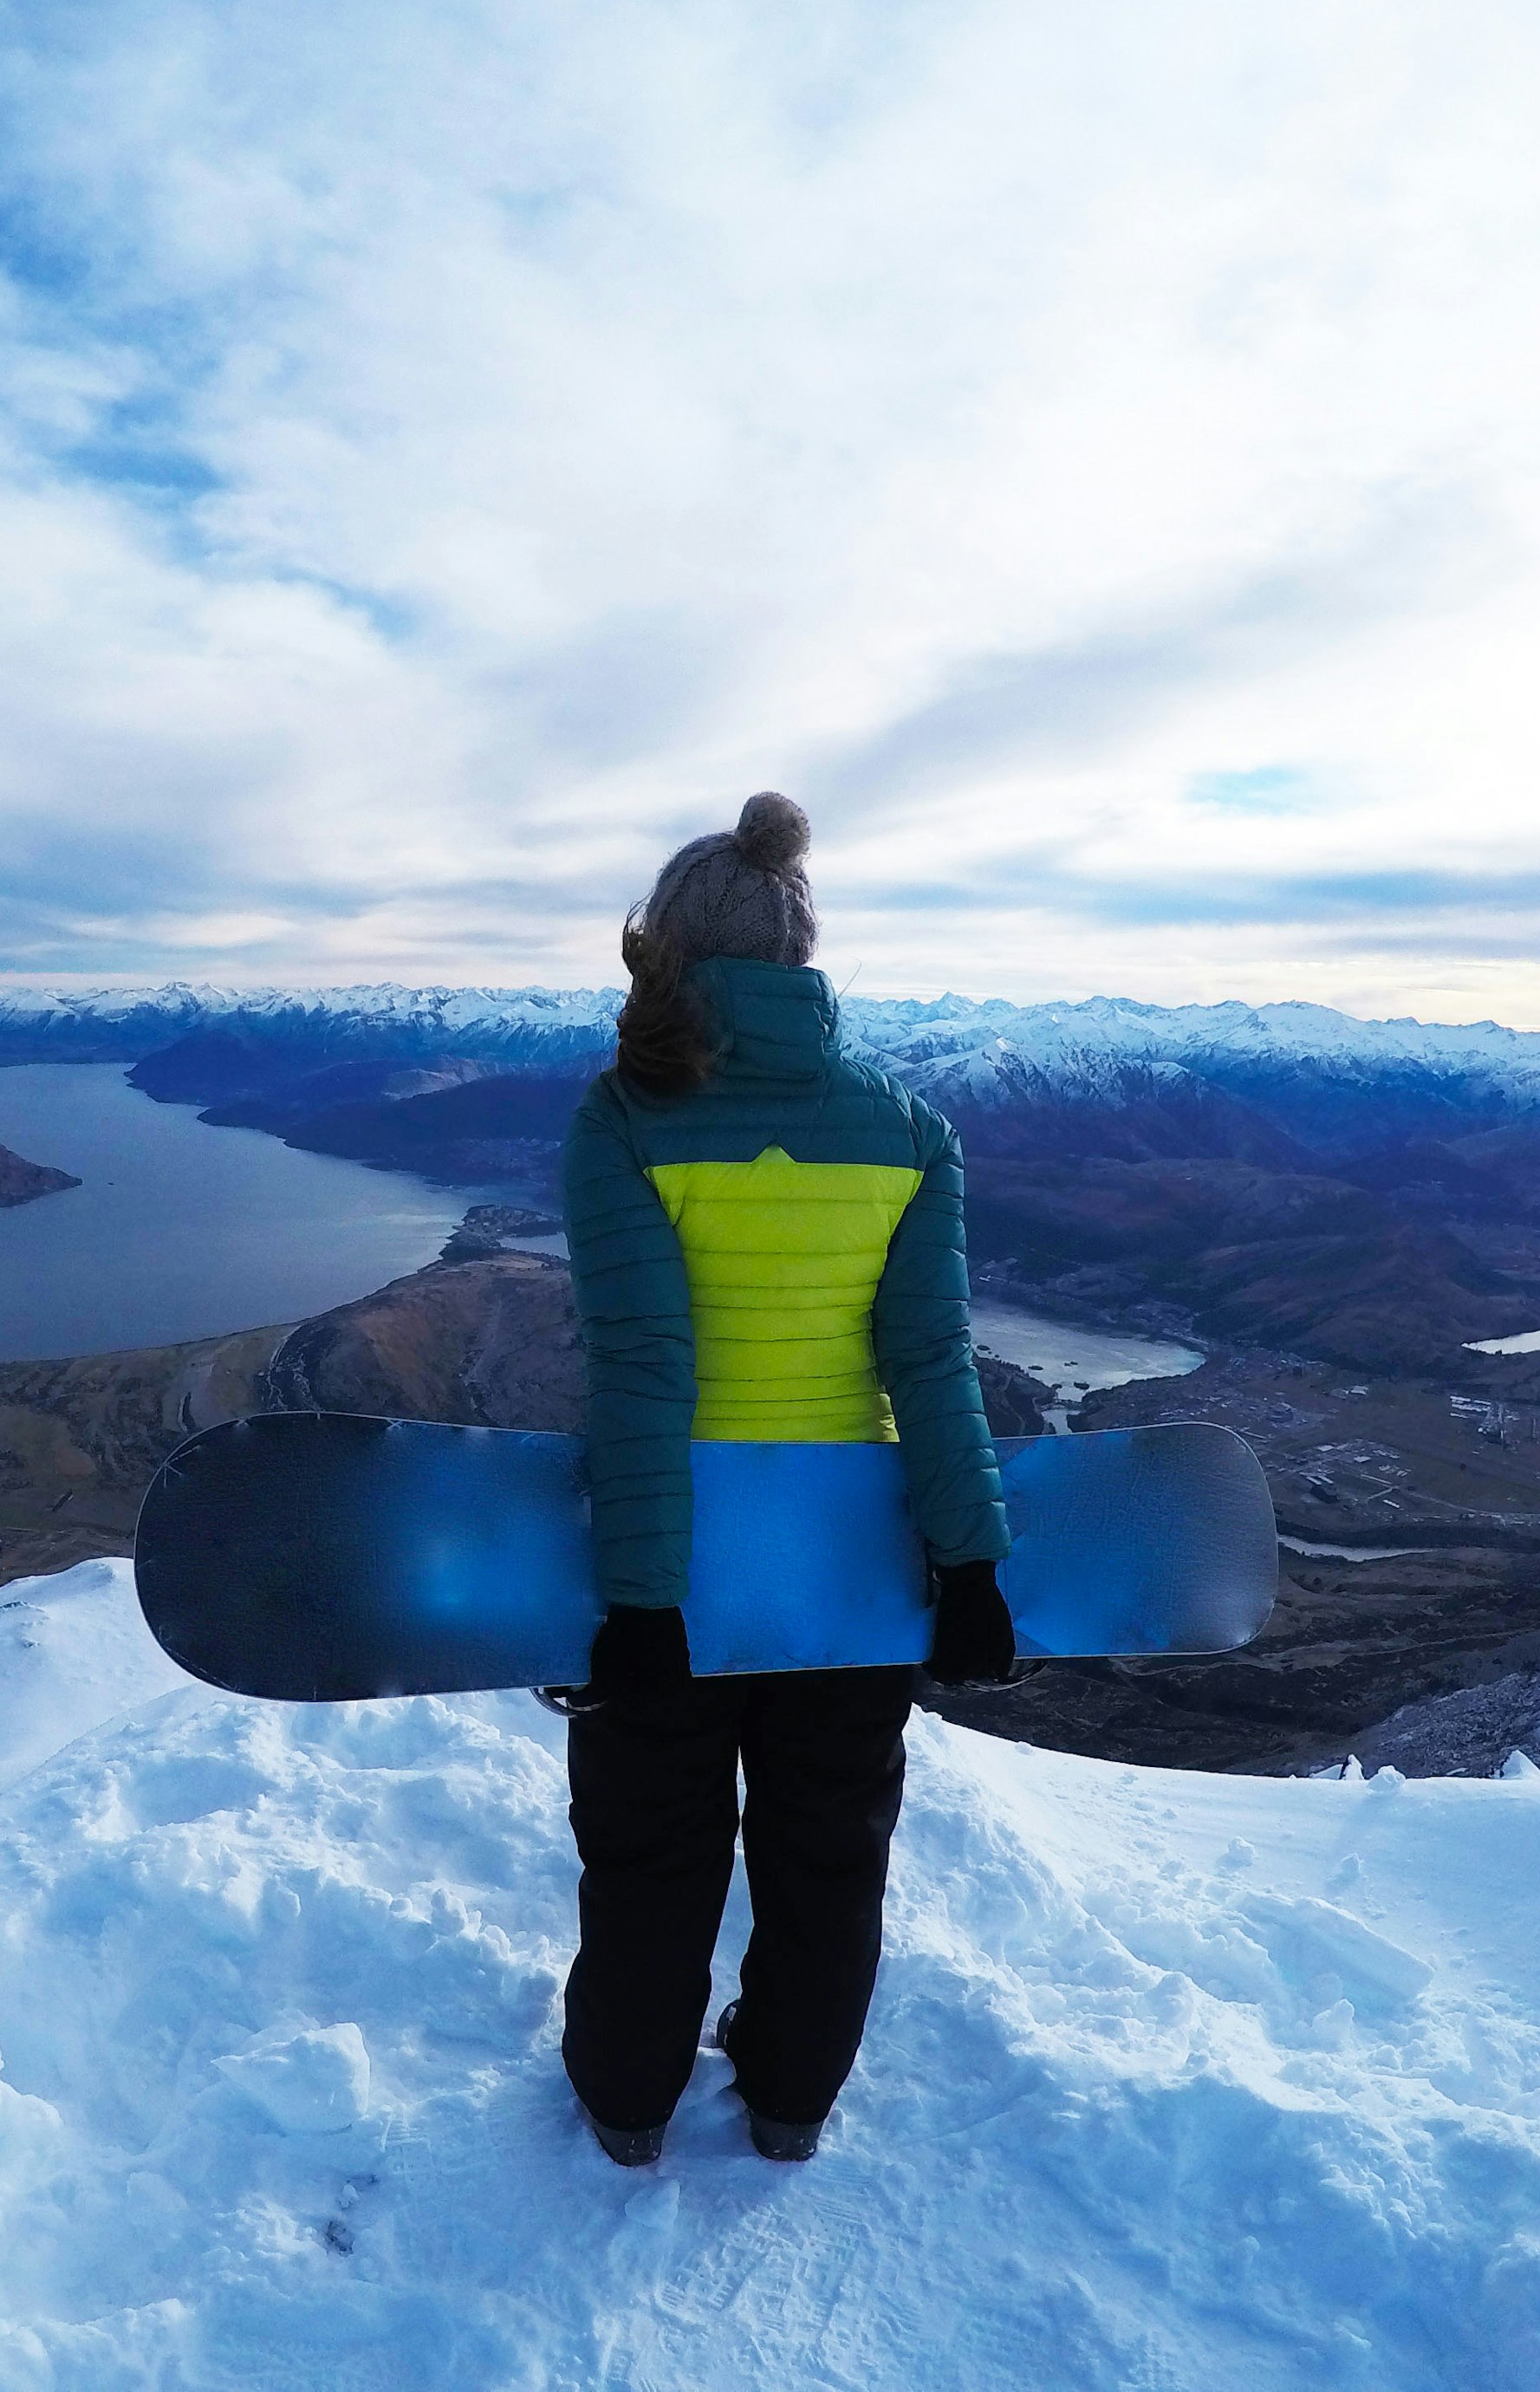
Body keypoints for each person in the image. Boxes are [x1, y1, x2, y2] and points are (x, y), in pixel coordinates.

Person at [553, 790, 1021, 2168]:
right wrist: (973, 1562)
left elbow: (645, 1366)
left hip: (678, 1568)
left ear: (671, 958)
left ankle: (629, 2112)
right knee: (829, 1862)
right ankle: (790, 2108)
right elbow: (931, 1364)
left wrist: (637, 1603)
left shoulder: (623, 1120)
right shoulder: (910, 1131)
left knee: (649, 1857)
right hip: (854, 1576)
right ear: (802, 961)